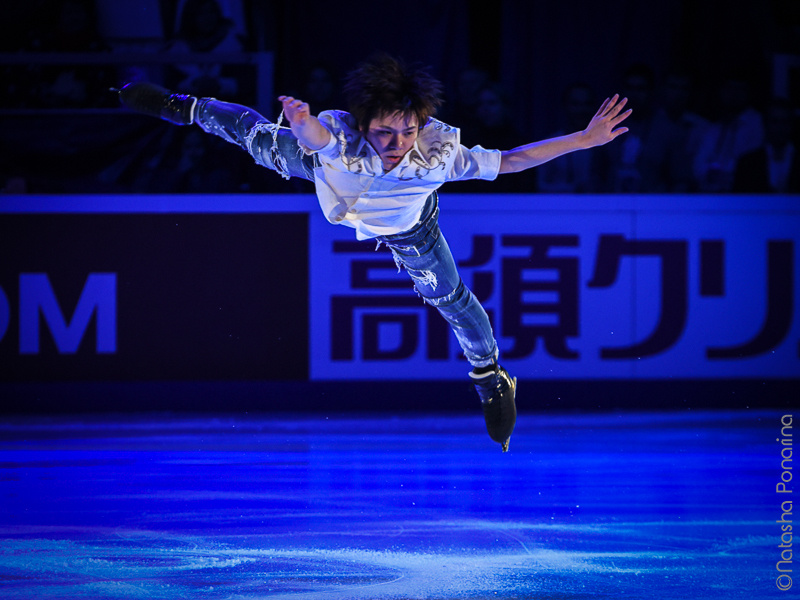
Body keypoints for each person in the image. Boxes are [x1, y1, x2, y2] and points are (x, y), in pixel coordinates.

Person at [116, 54, 631, 451]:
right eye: (385, 130)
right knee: (253, 135)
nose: (397, 141)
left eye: (407, 130)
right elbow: (317, 135)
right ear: (364, 124)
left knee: (452, 300)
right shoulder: (339, 138)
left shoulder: (437, 155)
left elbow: (515, 160)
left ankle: (491, 378)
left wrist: (584, 140)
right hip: (325, 174)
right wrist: (300, 124)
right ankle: (175, 105)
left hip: (412, 230)